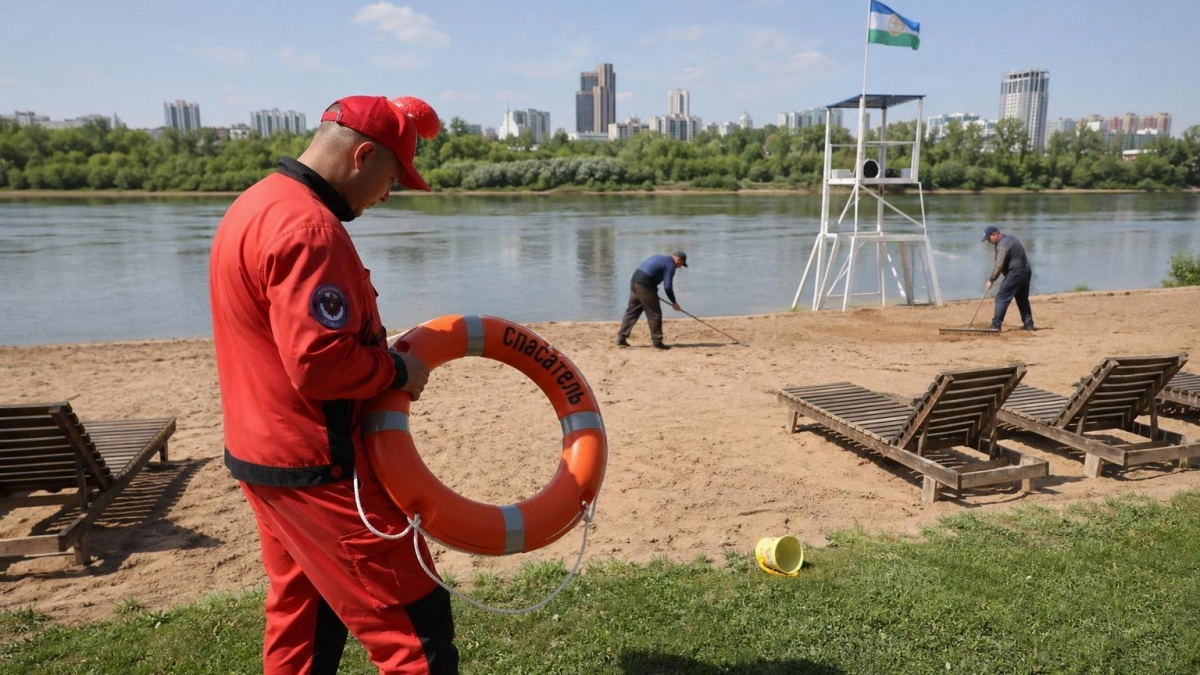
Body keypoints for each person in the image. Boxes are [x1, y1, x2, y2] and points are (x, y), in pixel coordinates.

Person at [209, 94, 458, 674]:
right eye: (391, 178)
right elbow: (320, 363)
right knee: (415, 628)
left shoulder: (256, 203)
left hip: (263, 459)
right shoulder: (308, 227)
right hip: (321, 468)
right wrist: (399, 370)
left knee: (304, 625)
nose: (388, 196)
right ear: (363, 155)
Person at [616, 251, 687, 350]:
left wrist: (650, 291)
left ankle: (621, 338)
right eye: (681, 264)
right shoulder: (670, 265)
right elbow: (667, 286)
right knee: (655, 313)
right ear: (678, 259)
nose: (680, 267)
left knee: (632, 310)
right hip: (645, 285)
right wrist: (674, 302)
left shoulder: (660, 257)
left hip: (635, 282)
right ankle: (657, 342)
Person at [982, 225, 1035, 331]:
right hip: (1026, 272)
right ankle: (1028, 325)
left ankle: (996, 325)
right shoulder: (1010, 238)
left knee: (1001, 297)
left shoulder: (1002, 245)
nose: (988, 241)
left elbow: (999, 265)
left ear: (995, 234)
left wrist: (991, 279)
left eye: (989, 238)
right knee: (1022, 299)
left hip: (1015, 274)